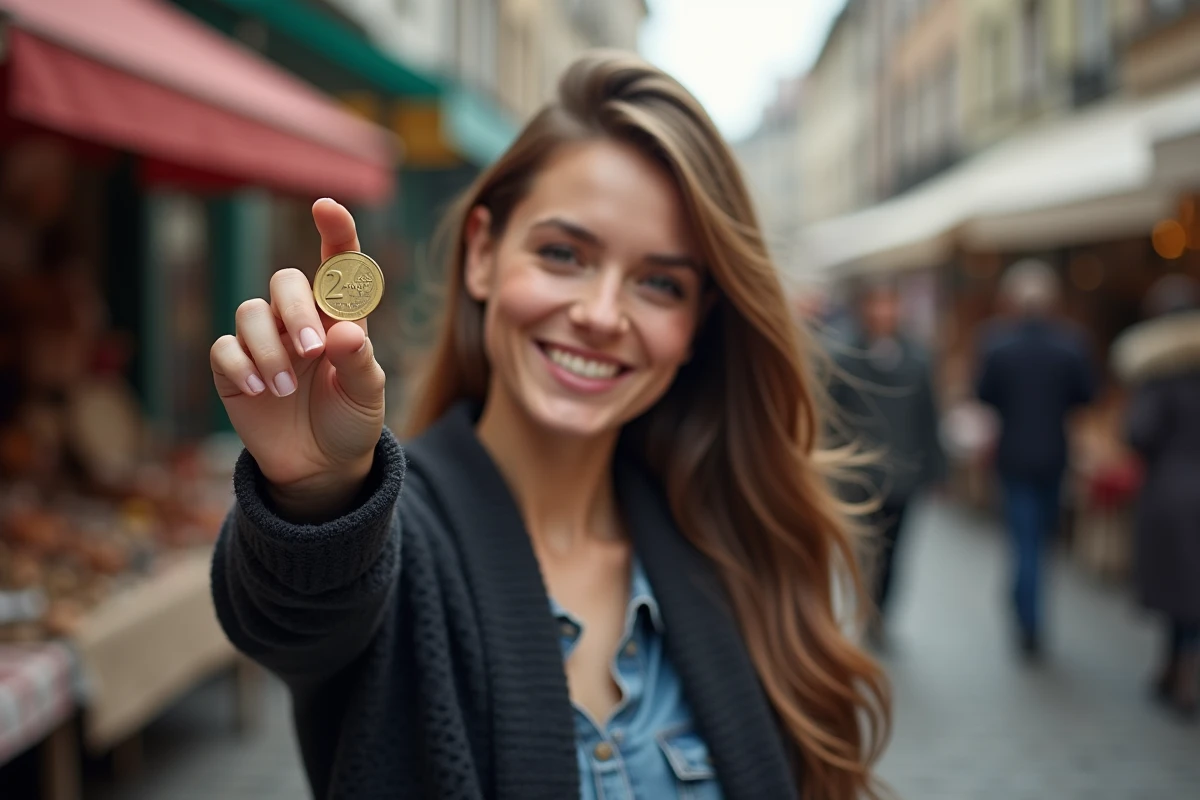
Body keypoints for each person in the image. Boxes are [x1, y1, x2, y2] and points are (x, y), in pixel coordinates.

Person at [208, 53, 890, 800]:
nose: (601, 315)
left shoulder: (730, 541)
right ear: (482, 255)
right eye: (564, 254)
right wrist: (316, 497)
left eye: (661, 282)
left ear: (698, 324)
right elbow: (294, 619)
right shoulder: (394, 542)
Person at [975, 259, 1096, 658]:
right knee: (1040, 542)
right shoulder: (1070, 344)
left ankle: (1026, 612)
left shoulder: (997, 344)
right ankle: (1030, 611)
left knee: (1023, 540)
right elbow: (1086, 395)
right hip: (1054, 456)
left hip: (1013, 455)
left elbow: (983, 395)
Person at [827, 277, 945, 648]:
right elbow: (831, 419)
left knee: (894, 551)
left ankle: (880, 616)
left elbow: (928, 416)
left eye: (889, 304)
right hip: (859, 476)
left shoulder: (917, 358)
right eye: (876, 304)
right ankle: (863, 613)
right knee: (863, 551)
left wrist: (937, 470)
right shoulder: (845, 356)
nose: (883, 312)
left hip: (903, 474)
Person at [1112, 274, 1200, 720]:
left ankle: (1181, 667)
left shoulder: (1160, 373)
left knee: (1180, 584)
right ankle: (1175, 665)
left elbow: (1138, 433)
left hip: (1173, 490)